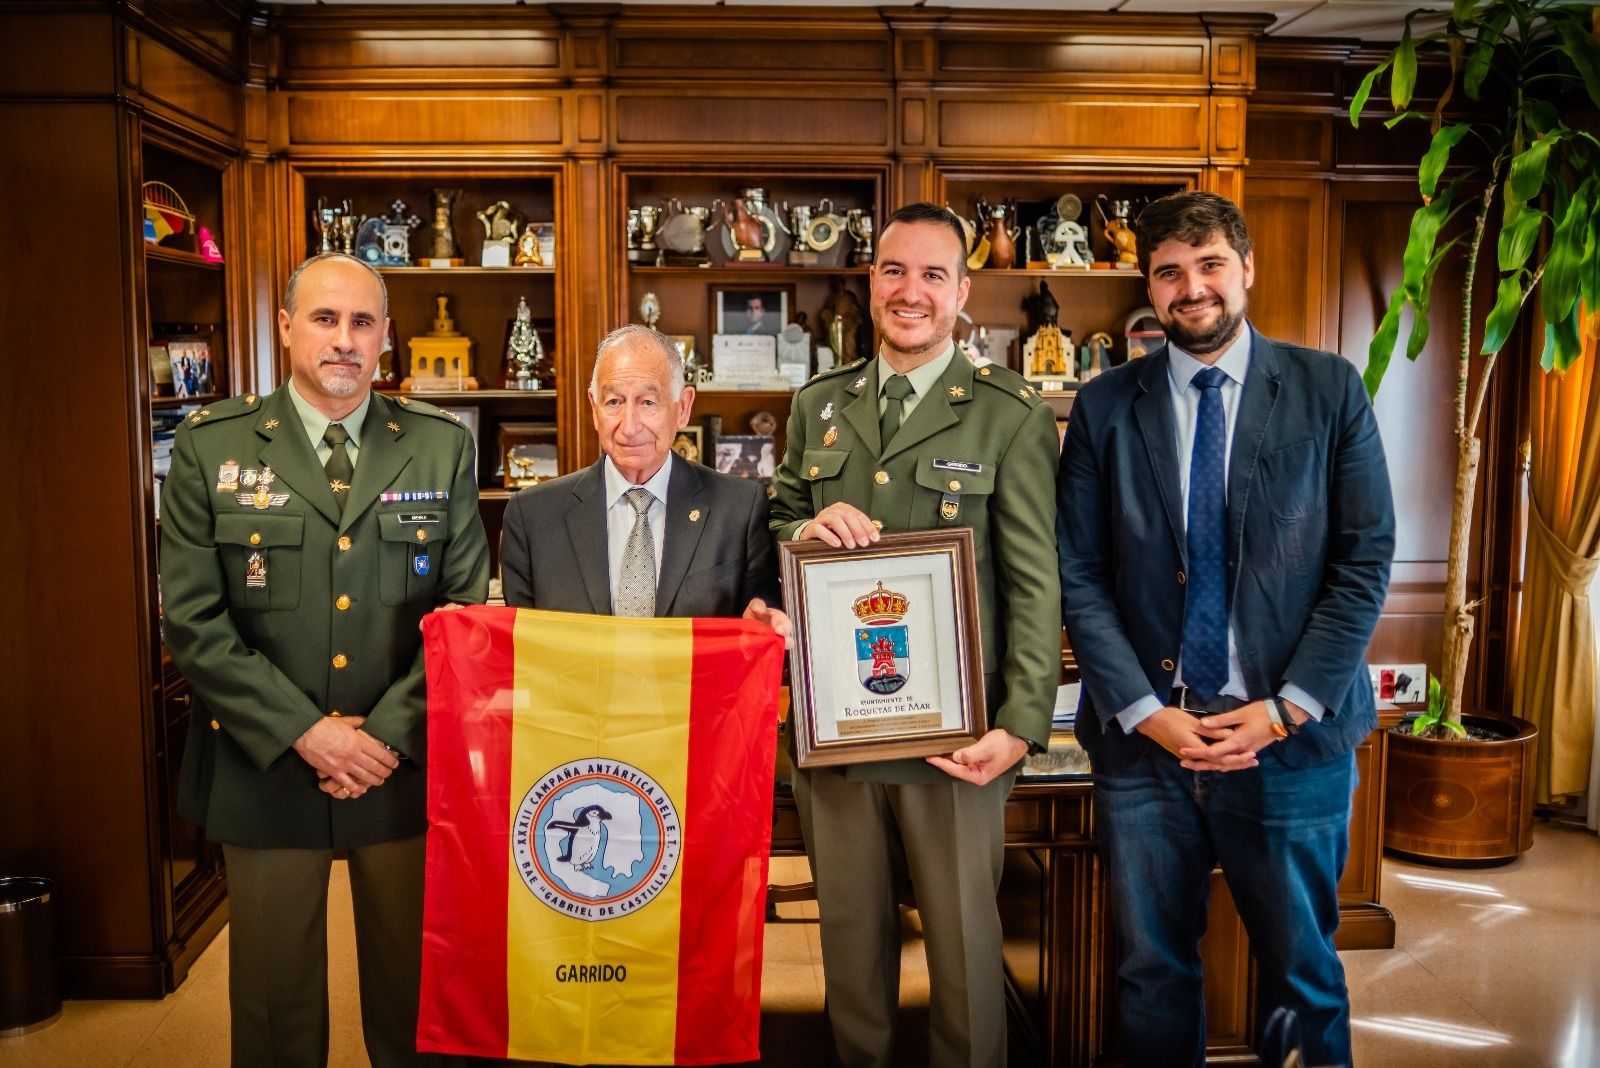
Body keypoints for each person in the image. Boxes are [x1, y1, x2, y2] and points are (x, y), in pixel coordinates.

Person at [1056, 191, 1395, 1066]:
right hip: (1148, 751)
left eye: (1209, 264)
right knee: (1151, 973)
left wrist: (1285, 710)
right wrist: (1145, 713)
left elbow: (1363, 561)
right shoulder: (1103, 406)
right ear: (1149, 287)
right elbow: (1079, 573)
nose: (1192, 287)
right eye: (1169, 272)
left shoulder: (1328, 389)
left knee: (1304, 974)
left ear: (1246, 268)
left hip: (1290, 743)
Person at [161, 252, 490, 1067]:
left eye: (362, 322)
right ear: (285, 327)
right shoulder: (211, 446)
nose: (344, 339)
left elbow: (465, 614)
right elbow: (194, 620)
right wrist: (308, 733)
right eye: (324, 318)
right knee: (274, 1005)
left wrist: (384, 737)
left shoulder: (440, 446)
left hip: (402, 765)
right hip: (266, 763)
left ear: (385, 337)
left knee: (416, 997)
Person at [768, 202, 1061, 1067]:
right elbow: (779, 519)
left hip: (957, 739)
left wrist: (1021, 725)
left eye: (934, 275)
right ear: (871, 281)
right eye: (895, 270)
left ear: (962, 293)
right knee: (850, 952)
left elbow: (1036, 579)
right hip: (839, 732)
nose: (911, 291)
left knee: (965, 955)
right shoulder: (819, 404)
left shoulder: (1010, 413)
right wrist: (805, 531)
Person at [501, 323, 787, 634]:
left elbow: (762, 618)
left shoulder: (739, 509)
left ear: (683, 407)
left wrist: (762, 627)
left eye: (648, 402)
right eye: (614, 402)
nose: (629, 427)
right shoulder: (532, 517)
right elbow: (522, 648)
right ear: (594, 408)